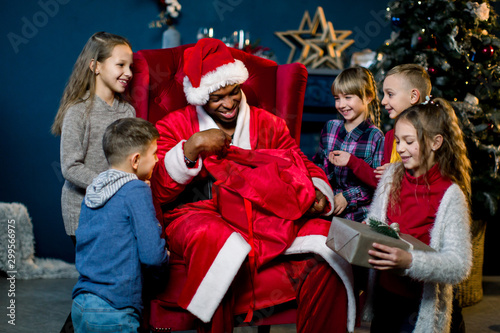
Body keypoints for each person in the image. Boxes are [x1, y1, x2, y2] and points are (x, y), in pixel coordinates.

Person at [150, 38, 356, 333]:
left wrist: (316, 192)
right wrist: (190, 149)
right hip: (199, 212)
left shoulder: (268, 124)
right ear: (200, 96)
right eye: (218, 97)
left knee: (328, 244)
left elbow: (299, 161)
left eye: (234, 92)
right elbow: (159, 191)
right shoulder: (174, 125)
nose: (230, 103)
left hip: (264, 213)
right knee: (217, 242)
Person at [364, 98, 472, 333]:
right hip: (384, 296)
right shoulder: (391, 175)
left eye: (409, 141)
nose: (400, 148)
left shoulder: (450, 194)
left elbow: (459, 265)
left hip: (418, 304)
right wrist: (368, 229)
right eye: (398, 141)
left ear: (436, 142)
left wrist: (410, 262)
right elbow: (377, 222)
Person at [51, 31, 135, 333]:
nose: (128, 73)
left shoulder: (128, 112)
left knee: (108, 279)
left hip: (116, 213)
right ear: (95, 66)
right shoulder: (79, 112)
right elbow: (71, 167)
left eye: (131, 67)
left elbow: (130, 162)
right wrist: (114, 183)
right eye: (120, 65)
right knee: (97, 280)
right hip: (83, 212)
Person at [71, 117, 169, 333]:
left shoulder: (96, 188)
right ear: (135, 160)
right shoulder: (136, 191)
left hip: (82, 303)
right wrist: (166, 258)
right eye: (154, 153)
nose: (157, 160)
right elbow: (152, 255)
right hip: (116, 308)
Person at [331, 64, 431, 189]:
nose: (383, 101)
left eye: (390, 94)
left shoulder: (430, 134)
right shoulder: (390, 137)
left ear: (413, 96)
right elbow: (378, 181)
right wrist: (352, 161)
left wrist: (397, 172)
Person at [313, 67, 384, 222]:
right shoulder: (330, 128)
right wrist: (319, 190)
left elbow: (379, 184)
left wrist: (347, 197)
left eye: (348, 97)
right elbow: (317, 164)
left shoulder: (375, 136)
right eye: (337, 98)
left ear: (368, 97)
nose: (341, 104)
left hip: (359, 216)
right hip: (326, 210)